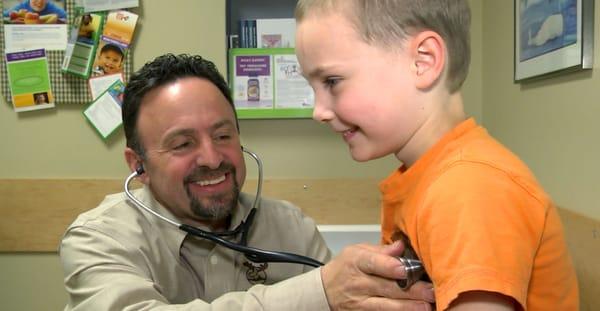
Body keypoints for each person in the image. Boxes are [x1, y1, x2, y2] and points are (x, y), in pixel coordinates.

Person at [59, 53, 436, 310]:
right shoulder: (98, 239)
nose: (212, 158)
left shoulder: (291, 228)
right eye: (183, 143)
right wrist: (318, 291)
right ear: (138, 165)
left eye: (223, 136)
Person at [295, 0, 579, 310]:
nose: (318, 111)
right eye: (313, 86)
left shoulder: (470, 187)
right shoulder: (432, 176)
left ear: (424, 61)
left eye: (332, 82)